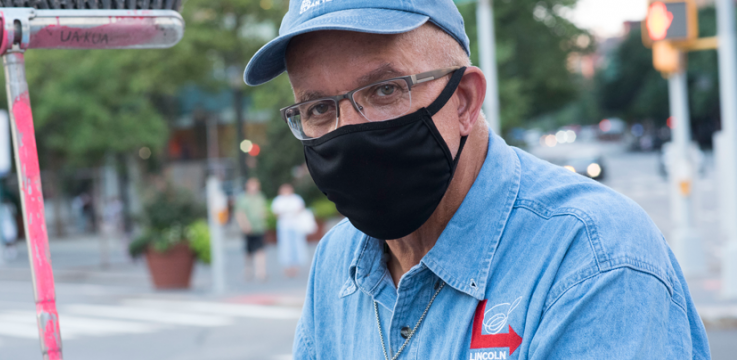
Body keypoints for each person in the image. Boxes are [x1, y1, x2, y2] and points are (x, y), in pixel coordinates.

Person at [243, 0, 710, 359]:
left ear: (464, 100)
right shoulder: (336, 261)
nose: (348, 129)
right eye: (319, 108)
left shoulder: (593, 257)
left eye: (385, 90)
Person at [234, 178, 268, 281]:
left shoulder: (260, 197)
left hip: (259, 227)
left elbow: (264, 209)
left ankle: (261, 271)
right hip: (248, 228)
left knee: (260, 250)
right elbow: (239, 213)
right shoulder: (243, 198)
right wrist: (244, 225)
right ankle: (248, 270)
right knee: (248, 251)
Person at [271, 183, 308, 278]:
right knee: (285, 246)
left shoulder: (296, 199)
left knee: (297, 245)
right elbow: (276, 213)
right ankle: (287, 265)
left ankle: (296, 265)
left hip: (295, 226)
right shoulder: (278, 200)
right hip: (284, 226)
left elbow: (301, 209)